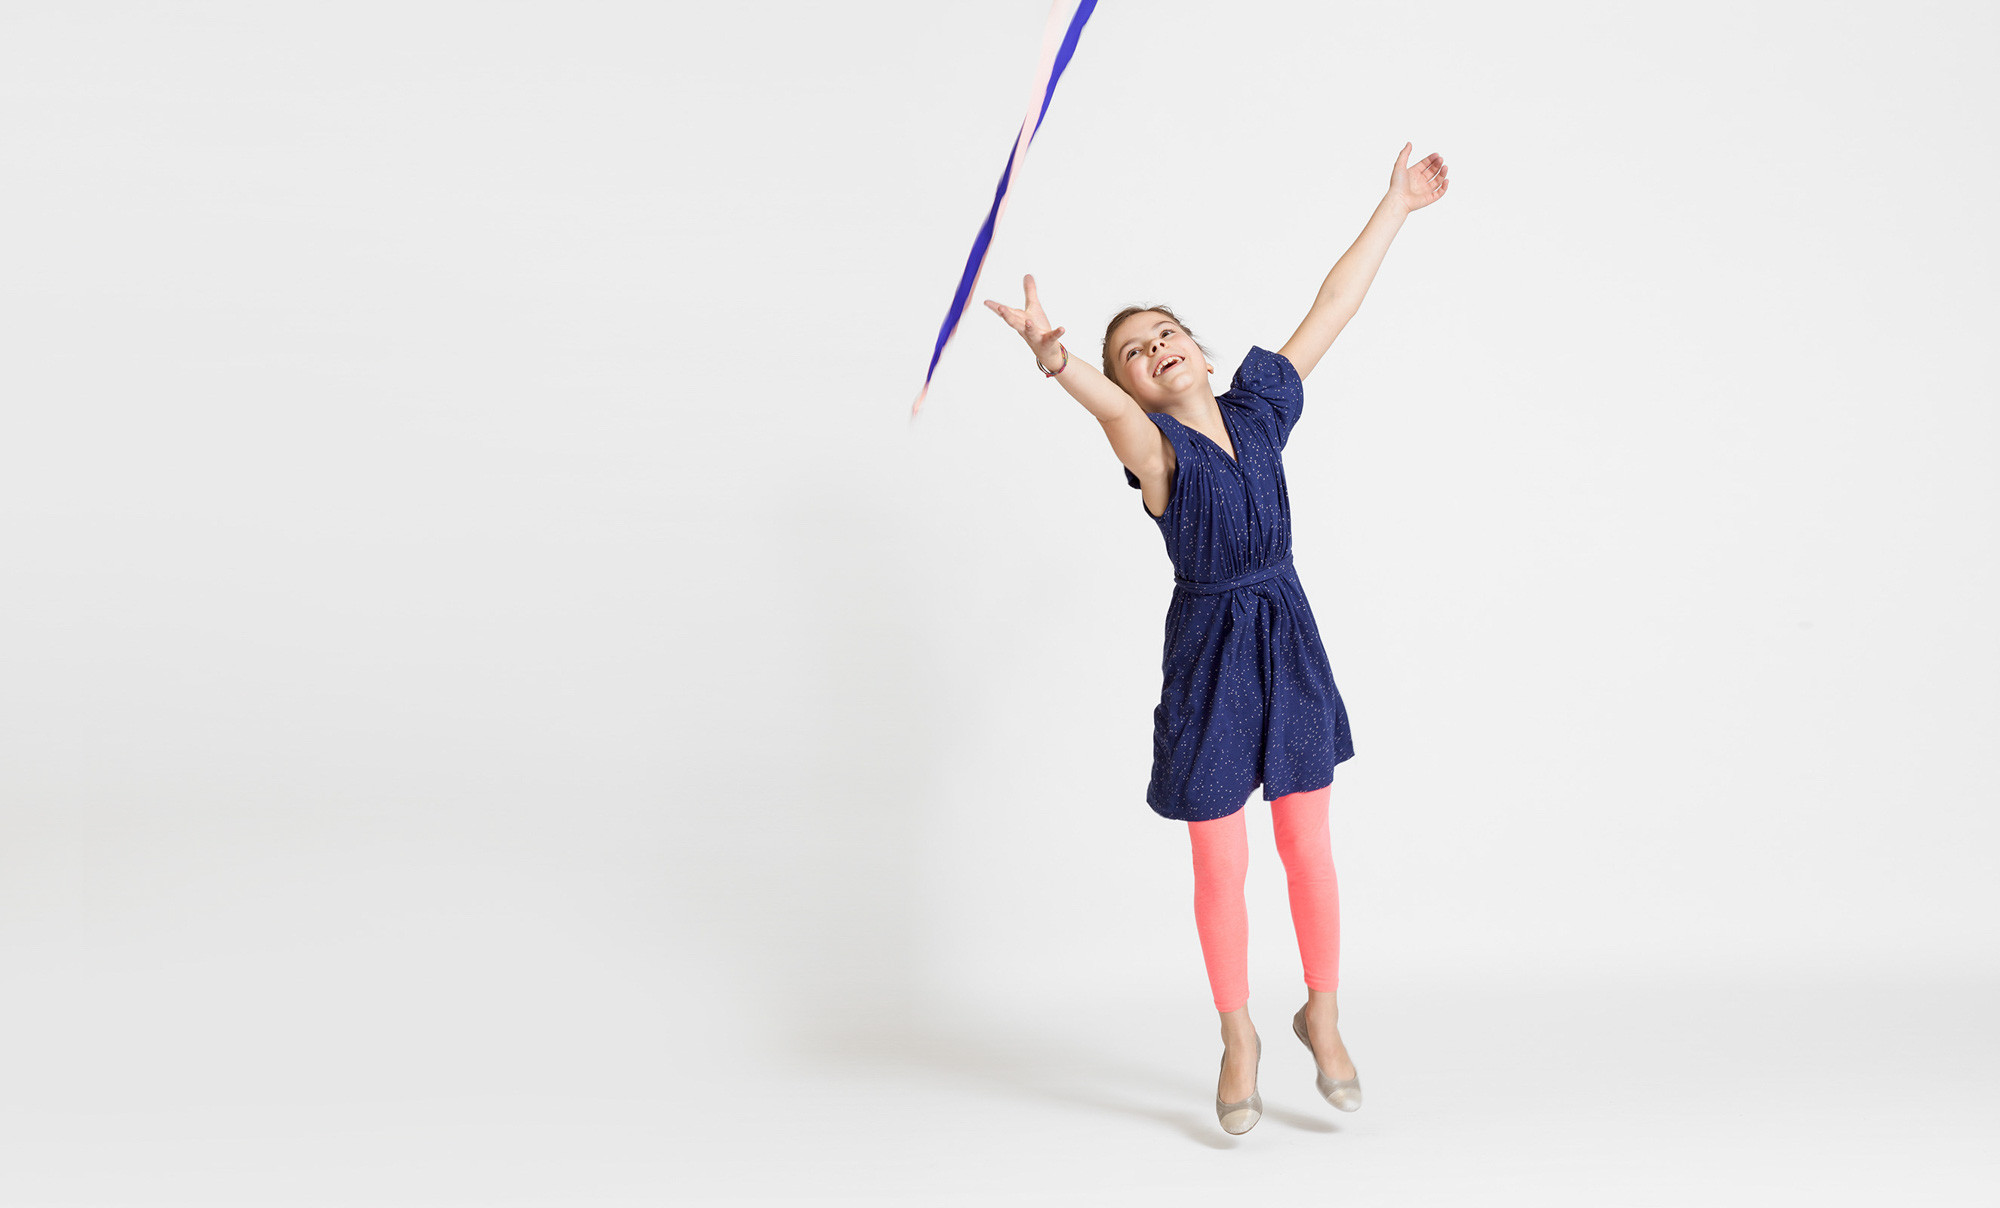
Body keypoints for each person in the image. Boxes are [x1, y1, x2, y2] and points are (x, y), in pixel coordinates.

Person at [984, 143, 1449, 1135]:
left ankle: (1322, 1014)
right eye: (1132, 353)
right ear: (1137, 387)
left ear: (1197, 348)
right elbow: (1111, 414)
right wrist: (1058, 362)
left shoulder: (1259, 410)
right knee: (1220, 861)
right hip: (1209, 655)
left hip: (1287, 637)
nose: (1153, 349)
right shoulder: (1157, 453)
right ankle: (1237, 1034)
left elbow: (1332, 306)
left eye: (1164, 334)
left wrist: (1395, 206)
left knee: (1306, 843)